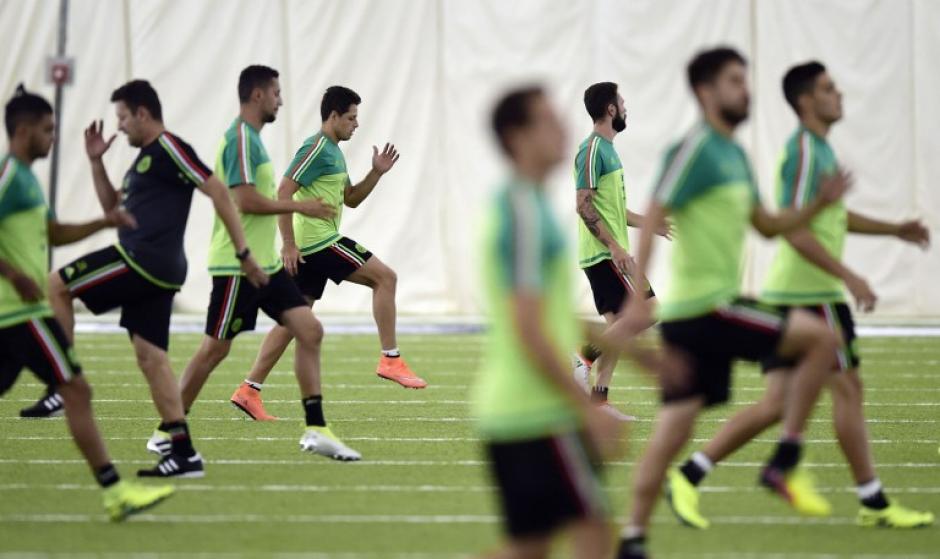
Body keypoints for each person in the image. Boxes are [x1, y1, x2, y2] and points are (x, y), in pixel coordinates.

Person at [667, 61, 934, 530]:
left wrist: (895, 230)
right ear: (807, 100)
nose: (840, 96)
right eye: (830, 89)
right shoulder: (805, 151)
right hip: (811, 291)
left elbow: (831, 218)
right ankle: (850, 491)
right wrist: (848, 275)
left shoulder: (820, 151)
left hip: (804, 289)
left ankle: (690, 472)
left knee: (776, 403)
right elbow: (791, 227)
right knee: (848, 390)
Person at [613, 47, 850, 559]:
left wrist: (816, 206)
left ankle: (632, 537)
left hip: (700, 317)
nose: (745, 90)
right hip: (709, 309)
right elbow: (654, 214)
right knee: (823, 339)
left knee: (673, 431)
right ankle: (784, 458)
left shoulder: (737, 155)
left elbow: (766, 226)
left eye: (746, 80)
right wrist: (637, 296)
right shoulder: (695, 148)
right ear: (706, 92)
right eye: (734, 81)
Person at [26, 79, 267, 478]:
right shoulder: (141, 161)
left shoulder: (171, 147)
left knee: (55, 284)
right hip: (155, 269)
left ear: (142, 113)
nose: (118, 127)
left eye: (122, 118)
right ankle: (183, 451)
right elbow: (111, 209)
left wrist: (243, 254)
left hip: (144, 261)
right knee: (152, 359)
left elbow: (219, 192)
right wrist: (95, 161)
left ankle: (60, 384)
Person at [169, 65, 360, 461]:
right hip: (239, 265)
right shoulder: (240, 139)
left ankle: (316, 428)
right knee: (213, 352)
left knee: (308, 329)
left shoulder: (253, 140)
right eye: (276, 93)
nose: (281, 100)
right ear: (257, 95)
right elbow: (245, 200)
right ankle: (169, 430)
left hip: (264, 263)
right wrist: (298, 207)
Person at [0, 84, 173, 518]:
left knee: (75, 390)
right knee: (76, 389)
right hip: (18, 313)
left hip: (23, 314)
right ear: (23, 131)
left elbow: (53, 234)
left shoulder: (26, 180)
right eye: (47, 129)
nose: (53, 137)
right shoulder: (9, 175)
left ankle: (115, 493)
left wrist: (104, 221)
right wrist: (14, 273)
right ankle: (115, 493)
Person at [476, 85, 624, 559]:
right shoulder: (521, 212)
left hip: (517, 409)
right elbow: (527, 327)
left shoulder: (531, 205)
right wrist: (584, 409)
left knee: (530, 548)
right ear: (517, 137)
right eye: (546, 120)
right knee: (594, 534)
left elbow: (553, 316)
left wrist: (646, 358)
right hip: (533, 411)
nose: (561, 126)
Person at [230, 85, 426, 422]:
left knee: (295, 320)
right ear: (333, 116)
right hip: (317, 243)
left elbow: (350, 198)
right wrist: (288, 243)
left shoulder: (333, 151)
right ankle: (390, 359)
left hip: (315, 245)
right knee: (386, 278)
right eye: (351, 117)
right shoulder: (316, 147)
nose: (356, 124)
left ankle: (249, 390)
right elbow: (284, 191)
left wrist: (376, 172)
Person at [573, 81, 668, 421]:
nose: (626, 107)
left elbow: (615, 210)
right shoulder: (593, 149)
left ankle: (600, 401)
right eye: (622, 102)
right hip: (603, 253)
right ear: (610, 109)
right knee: (650, 310)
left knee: (617, 325)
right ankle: (581, 358)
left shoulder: (609, 151)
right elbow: (583, 206)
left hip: (611, 251)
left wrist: (649, 223)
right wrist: (614, 247)